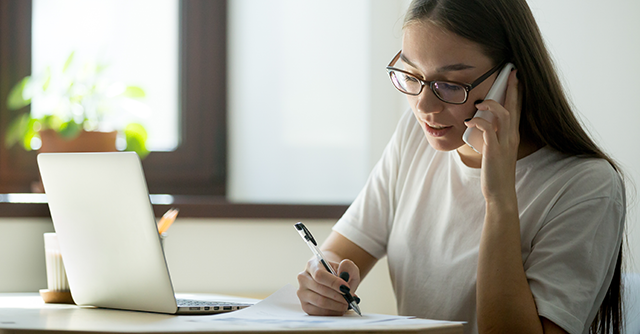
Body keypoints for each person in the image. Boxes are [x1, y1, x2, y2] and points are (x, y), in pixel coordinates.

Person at [295, 1, 626, 334]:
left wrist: (499, 199)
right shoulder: (415, 136)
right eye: (411, 76)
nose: (424, 106)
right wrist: (323, 279)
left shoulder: (587, 186)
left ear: (511, 78)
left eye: (451, 85)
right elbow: (339, 252)